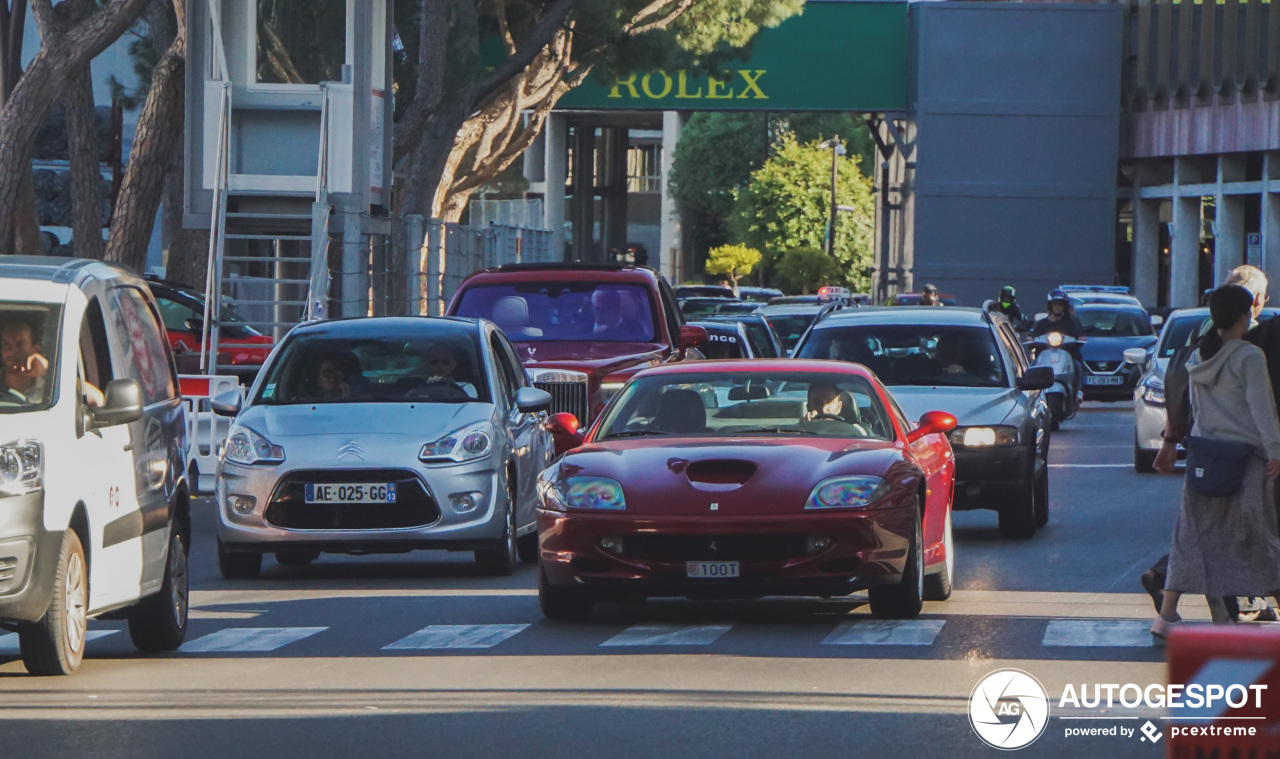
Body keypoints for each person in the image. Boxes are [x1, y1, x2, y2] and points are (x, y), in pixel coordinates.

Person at [1150, 284, 1280, 639]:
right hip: (1246, 460)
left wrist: (1175, 444)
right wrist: (1275, 450)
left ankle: (1166, 616)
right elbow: (1262, 409)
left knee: (1191, 538)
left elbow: (1193, 411)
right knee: (1260, 536)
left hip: (1204, 460)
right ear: (1246, 314)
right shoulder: (1249, 356)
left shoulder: (1199, 357)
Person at [1, 317, 49, 403]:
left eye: (20, 344)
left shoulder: (52, 388)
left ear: (36, 350)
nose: (12, 352)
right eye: (6, 344)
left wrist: (46, 371)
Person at [406, 343, 477, 400]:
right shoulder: (412, 387)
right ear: (427, 364)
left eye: (445, 361)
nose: (439, 366)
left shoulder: (467, 388)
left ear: (453, 365)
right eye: (433, 361)